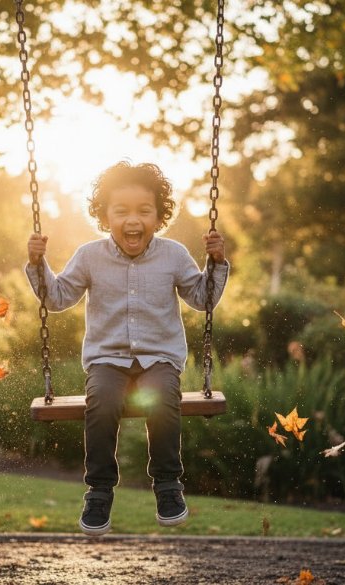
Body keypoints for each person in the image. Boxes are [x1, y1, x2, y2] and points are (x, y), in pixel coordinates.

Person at [25, 161, 229, 536]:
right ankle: (99, 491)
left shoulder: (174, 255)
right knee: (101, 401)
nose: (132, 220)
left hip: (159, 359)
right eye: (121, 211)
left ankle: (168, 485)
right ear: (104, 216)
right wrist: (38, 264)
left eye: (143, 211)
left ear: (158, 216)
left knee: (162, 396)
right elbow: (56, 297)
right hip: (108, 359)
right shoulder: (89, 256)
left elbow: (203, 299)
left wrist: (215, 263)